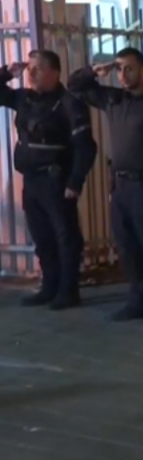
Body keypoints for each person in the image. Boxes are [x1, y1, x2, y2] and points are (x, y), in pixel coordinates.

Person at [67, 47, 143, 326]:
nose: (123, 74)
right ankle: (136, 301)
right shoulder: (114, 99)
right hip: (120, 187)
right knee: (127, 246)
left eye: (129, 68)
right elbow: (75, 86)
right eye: (119, 69)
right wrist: (95, 71)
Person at [0, 50, 97, 310]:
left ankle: (68, 290)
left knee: (65, 237)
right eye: (29, 67)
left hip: (56, 180)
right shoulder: (25, 98)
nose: (31, 73)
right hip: (31, 179)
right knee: (42, 236)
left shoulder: (68, 103)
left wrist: (75, 181)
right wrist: (6, 73)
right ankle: (50, 286)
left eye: (38, 68)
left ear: (55, 73)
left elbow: (85, 147)